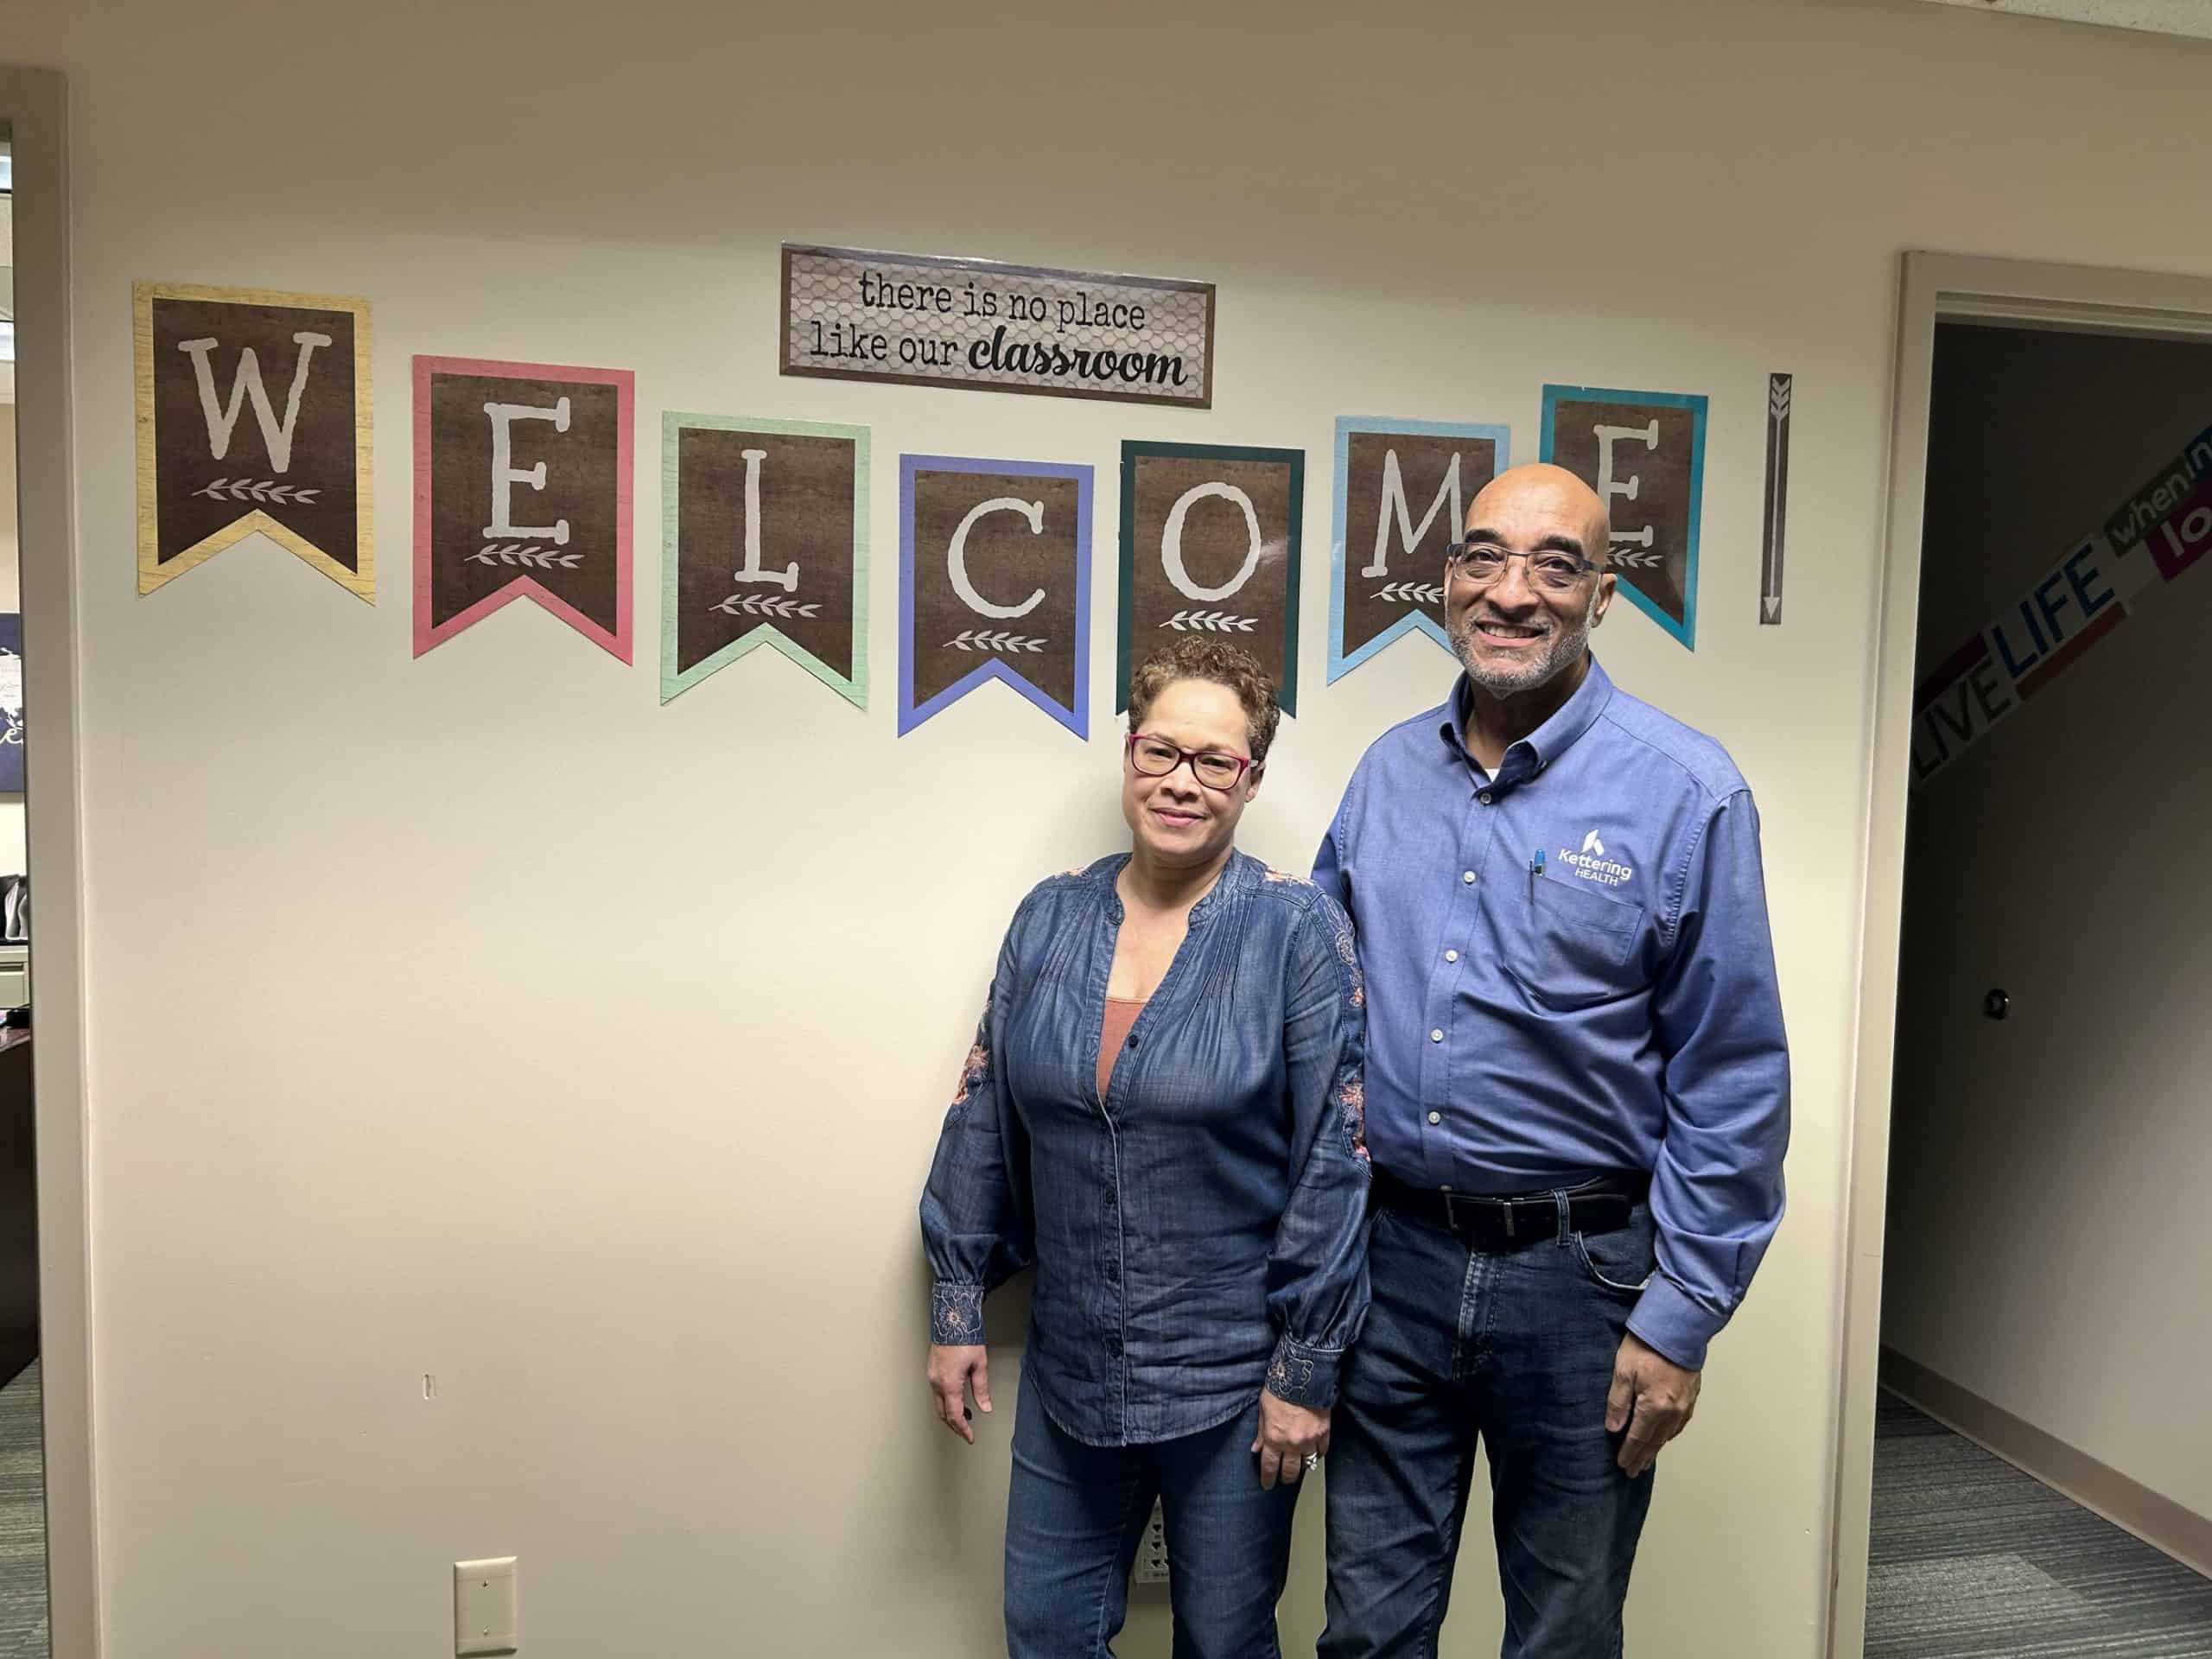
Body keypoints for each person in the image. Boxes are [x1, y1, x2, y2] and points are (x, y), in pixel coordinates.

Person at [1312, 463, 1791, 1658]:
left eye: (1555, 564)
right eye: (1484, 557)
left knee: (1564, 1634)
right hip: (1394, 1264)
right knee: (1368, 1633)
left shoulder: (1688, 792)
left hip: (1585, 1284)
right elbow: (1318, 1025)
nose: (1512, 593)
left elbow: (1734, 1080)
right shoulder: (1384, 776)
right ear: (1447, 582)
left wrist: (1681, 1318)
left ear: (1605, 594)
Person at [920, 636, 1372, 1659]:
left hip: (1231, 1383)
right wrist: (955, 1305)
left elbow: (1333, 1163)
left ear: (1250, 780)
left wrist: (1304, 1369)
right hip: (1070, 1373)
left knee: (1221, 1641)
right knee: (1045, 1635)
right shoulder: (1048, 916)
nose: (1181, 781)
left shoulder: (1296, 931)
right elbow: (984, 1115)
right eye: (1160, 751)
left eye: (1214, 761)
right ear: (1128, 756)